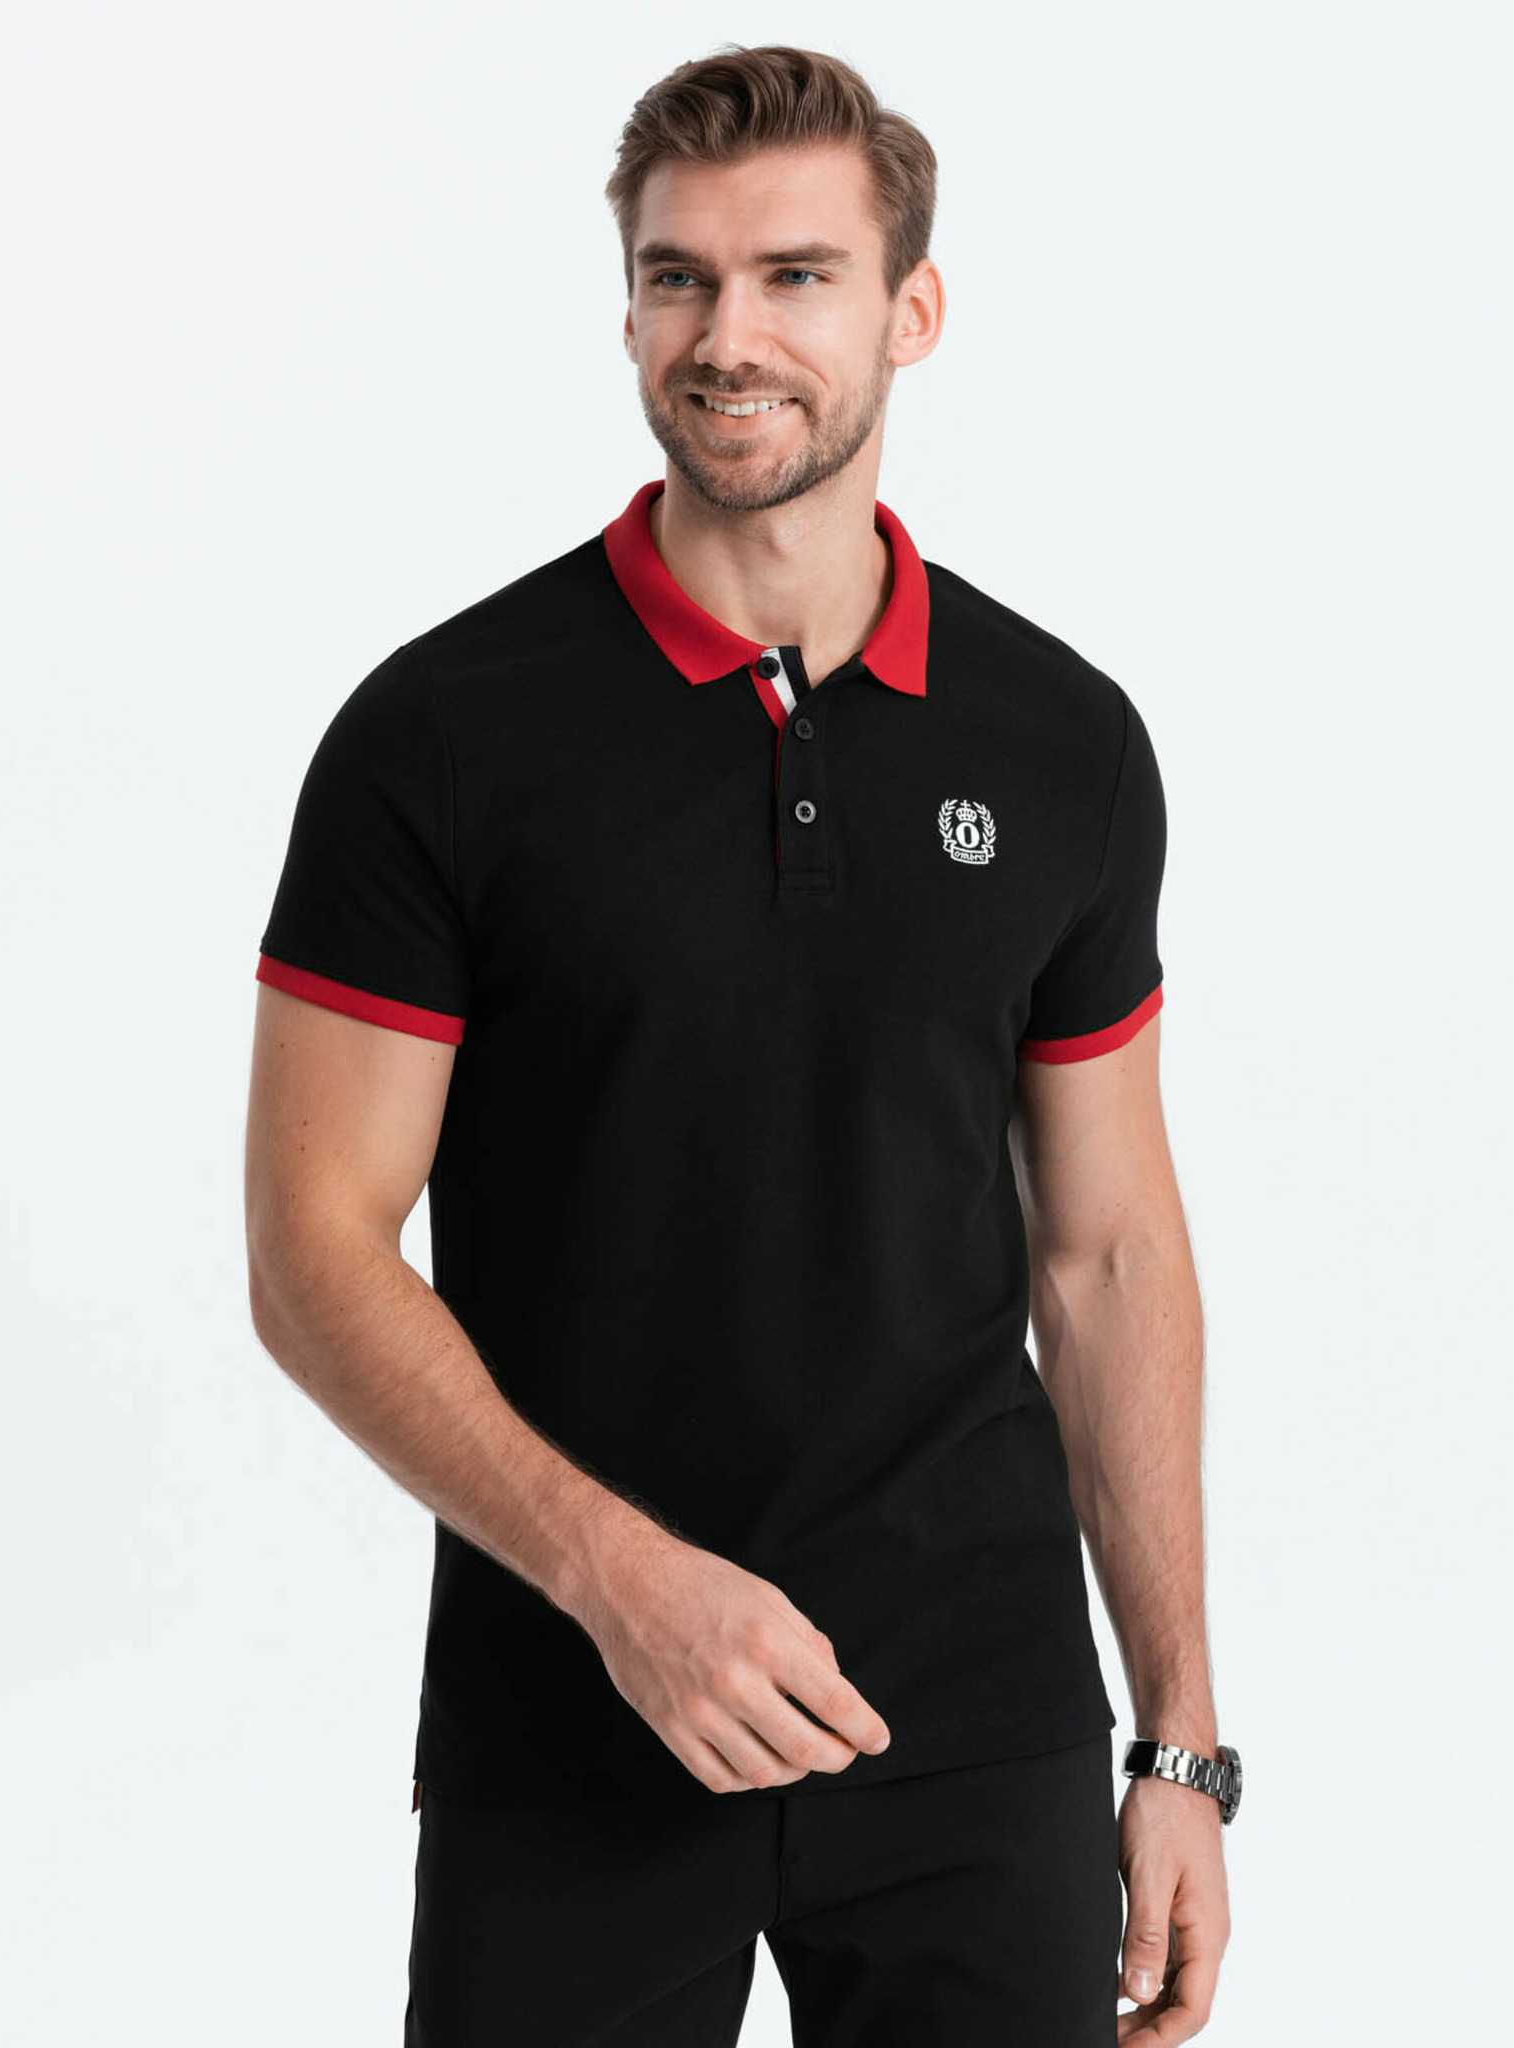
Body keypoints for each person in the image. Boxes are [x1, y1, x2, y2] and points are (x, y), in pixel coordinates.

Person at [244, 41, 1234, 2048]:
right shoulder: (444, 738)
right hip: (574, 1720)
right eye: (678, 278)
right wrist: (621, 1581)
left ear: (910, 310)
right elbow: (313, 1251)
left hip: (978, 1729)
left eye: (796, 275)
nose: (729, 336)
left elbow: (1108, 1251)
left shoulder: (1063, 743)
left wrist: (1182, 1743)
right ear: (627, 310)